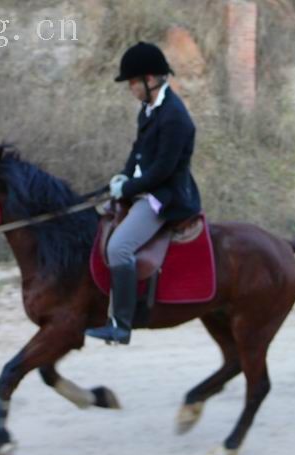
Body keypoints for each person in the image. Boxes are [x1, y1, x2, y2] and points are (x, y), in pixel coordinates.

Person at [85, 41, 202, 345]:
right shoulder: (149, 109)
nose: (131, 89)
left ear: (150, 80)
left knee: (119, 248)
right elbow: (139, 152)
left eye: (133, 83)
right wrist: (123, 176)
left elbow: (162, 171)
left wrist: (128, 188)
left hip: (165, 197)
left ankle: (121, 324)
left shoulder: (175, 117)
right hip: (145, 188)